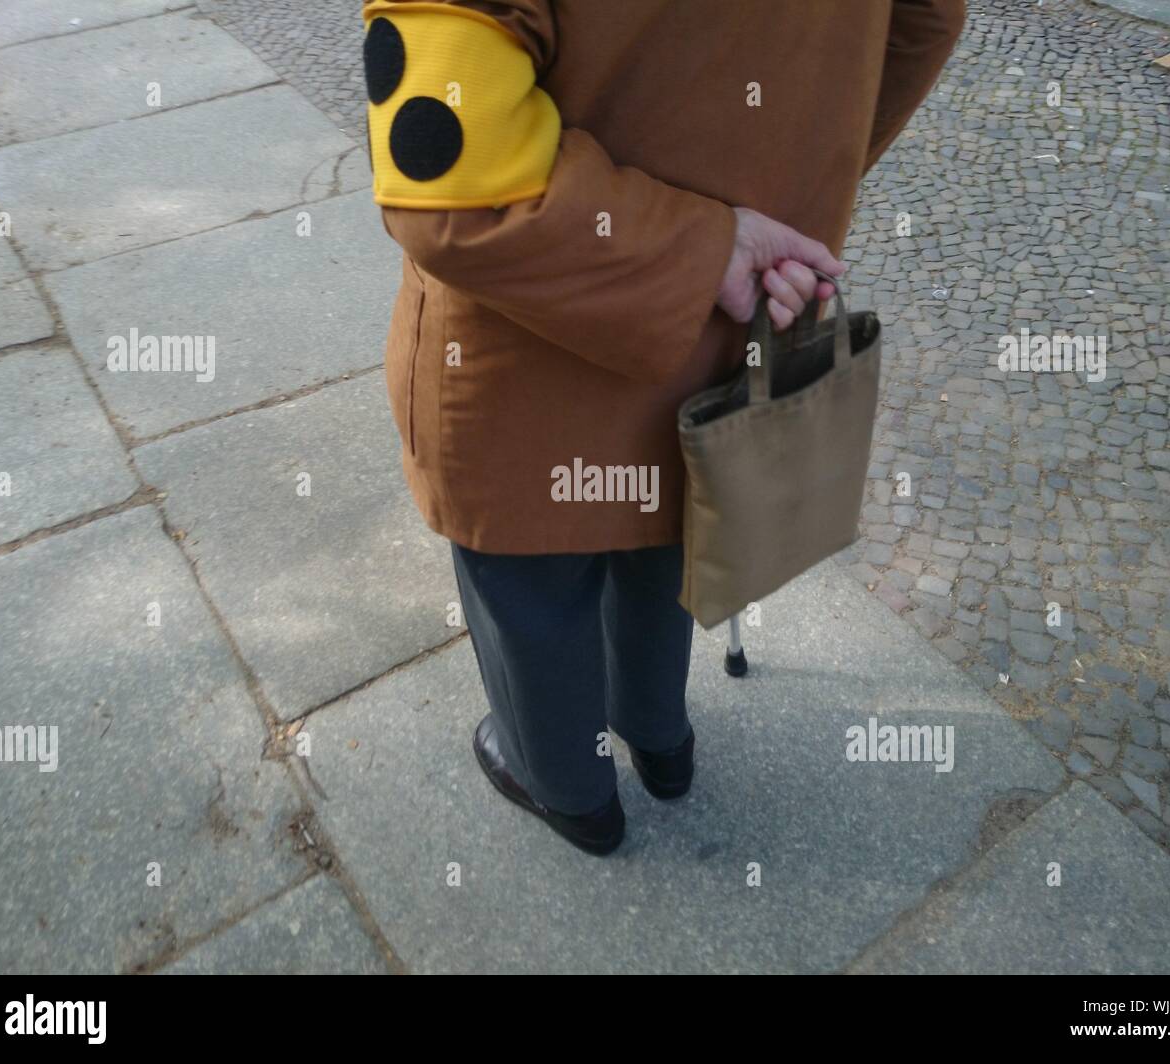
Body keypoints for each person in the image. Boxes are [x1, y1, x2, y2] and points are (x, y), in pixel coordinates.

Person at [364, 0, 967, 854]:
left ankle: (571, 791)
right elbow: (925, 21)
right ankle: (659, 739)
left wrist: (701, 251)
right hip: (720, 318)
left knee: (531, 586)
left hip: (526, 338)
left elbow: (449, 178)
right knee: (665, 532)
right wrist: (773, 209)